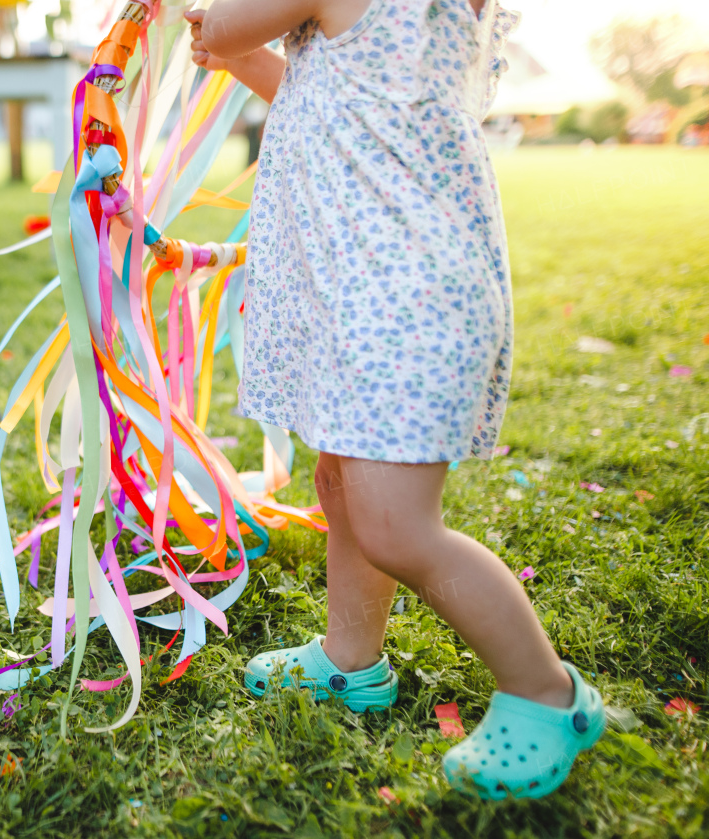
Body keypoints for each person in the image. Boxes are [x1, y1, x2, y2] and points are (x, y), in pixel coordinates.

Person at [186, 0, 605, 800]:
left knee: (394, 525)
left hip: (402, 296)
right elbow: (309, 92)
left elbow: (229, 22)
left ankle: (547, 691)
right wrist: (231, 54)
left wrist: (206, 27)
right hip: (375, 291)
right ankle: (351, 661)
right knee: (341, 484)